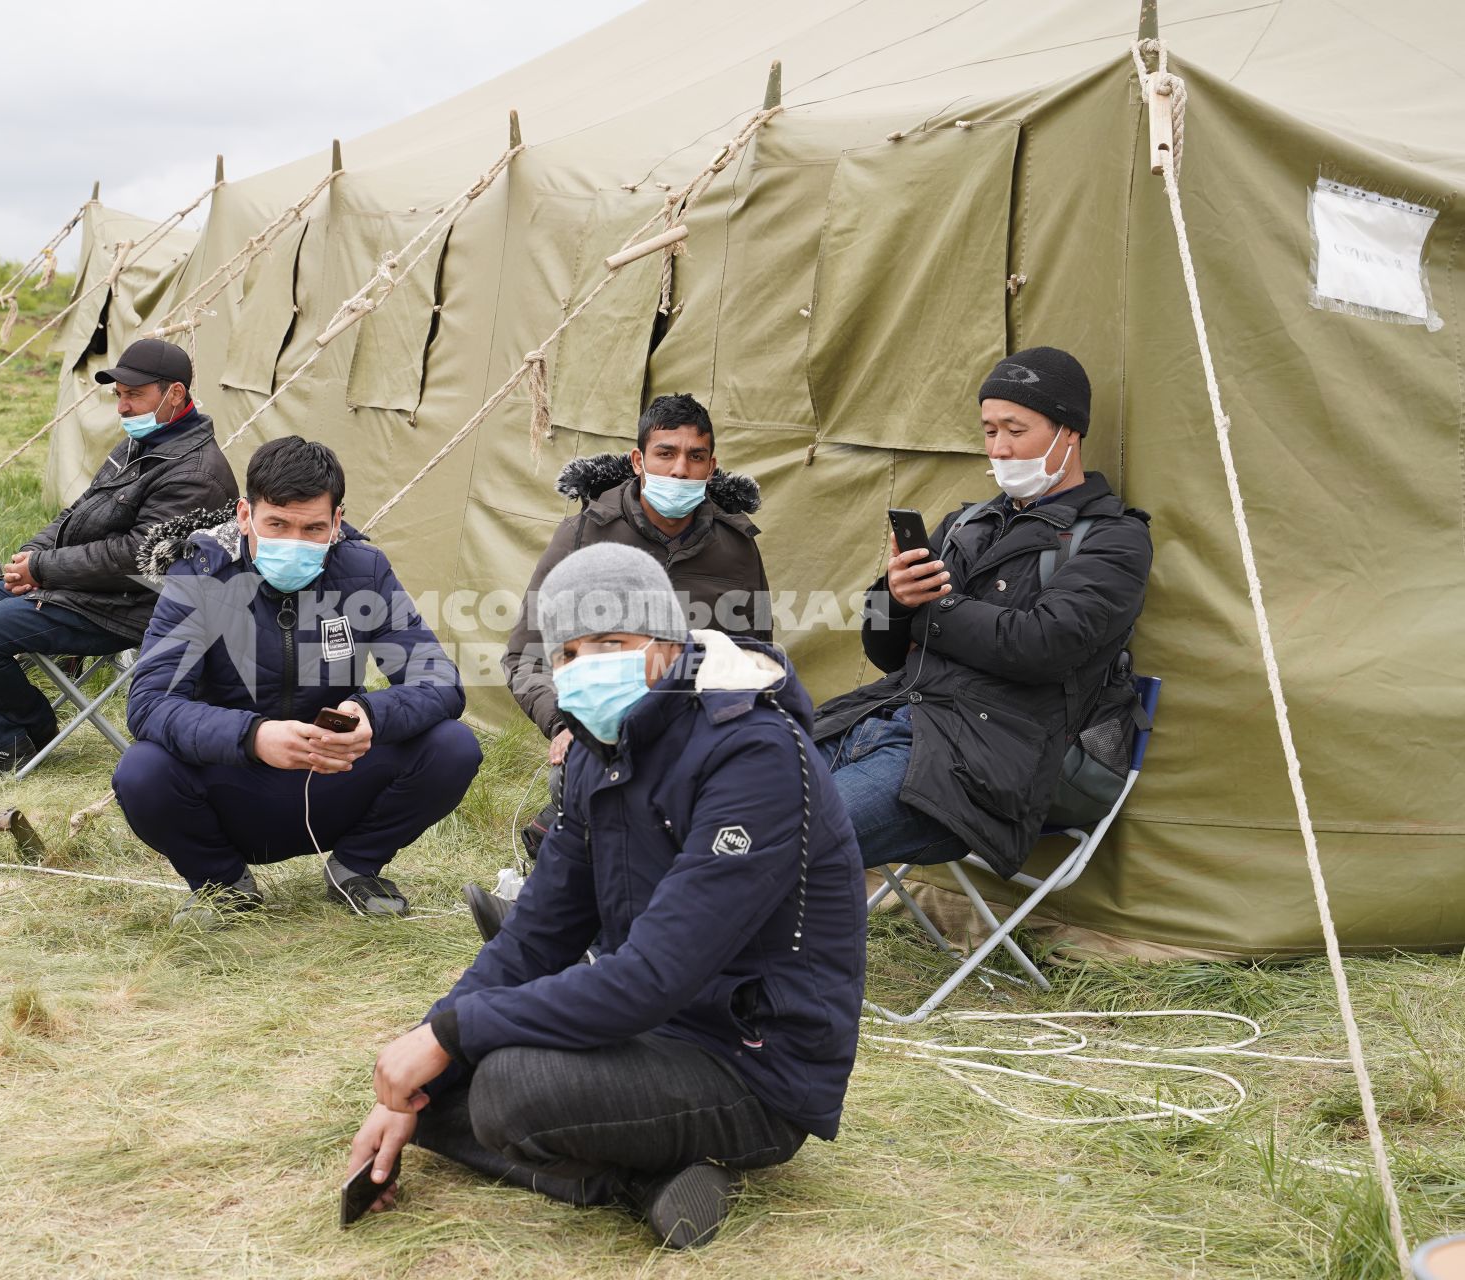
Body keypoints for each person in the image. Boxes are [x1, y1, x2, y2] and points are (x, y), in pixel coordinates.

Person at [347, 543, 865, 1251]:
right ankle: (644, 1184)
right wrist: (427, 1042)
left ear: (668, 643)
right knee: (421, 1089)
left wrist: (449, 1037)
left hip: (752, 1066)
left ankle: (627, 1170)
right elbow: (534, 938)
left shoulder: (754, 753)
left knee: (502, 1088)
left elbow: (651, 979)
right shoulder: (600, 747)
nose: (587, 666)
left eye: (612, 643)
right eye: (569, 653)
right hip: (650, 1034)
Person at [811, 346, 1153, 878]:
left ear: (1069, 431)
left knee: (788, 837)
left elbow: (1041, 645)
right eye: (990, 431)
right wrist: (895, 599)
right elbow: (884, 653)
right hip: (882, 718)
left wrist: (930, 611)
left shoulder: (1114, 539)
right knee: (726, 804)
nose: (1001, 449)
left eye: (1016, 430)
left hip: (977, 765)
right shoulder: (966, 522)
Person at [112, 436, 480, 924]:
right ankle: (224, 885)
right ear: (245, 515)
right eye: (277, 524)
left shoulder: (365, 570)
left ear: (337, 522)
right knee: (142, 771)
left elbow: (440, 683)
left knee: (453, 745)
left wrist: (370, 715)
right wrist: (254, 736)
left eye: (313, 529)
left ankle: (356, 868)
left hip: (333, 773)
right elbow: (151, 703)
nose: (295, 542)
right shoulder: (201, 573)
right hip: (233, 779)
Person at [471, 394, 771, 937]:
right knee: (601, 776)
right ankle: (559, 919)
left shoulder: (737, 546)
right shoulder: (583, 535)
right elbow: (525, 654)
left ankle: (588, 915)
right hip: (600, 718)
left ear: (713, 465)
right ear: (638, 461)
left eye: (695, 457)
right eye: (665, 454)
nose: (680, 469)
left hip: (696, 725)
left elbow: (756, 656)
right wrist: (564, 720)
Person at [0, 339, 238, 777]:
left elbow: (137, 557)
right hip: (80, 586)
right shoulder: (138, 446)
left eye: (134, 395)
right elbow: (79, 510)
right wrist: (32, 554)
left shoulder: (196, 471)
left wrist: (44, 570)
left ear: (175, 394)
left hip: (136, 605)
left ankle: (21, 732)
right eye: (119, 395)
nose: (122, 407)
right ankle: (3, 734)